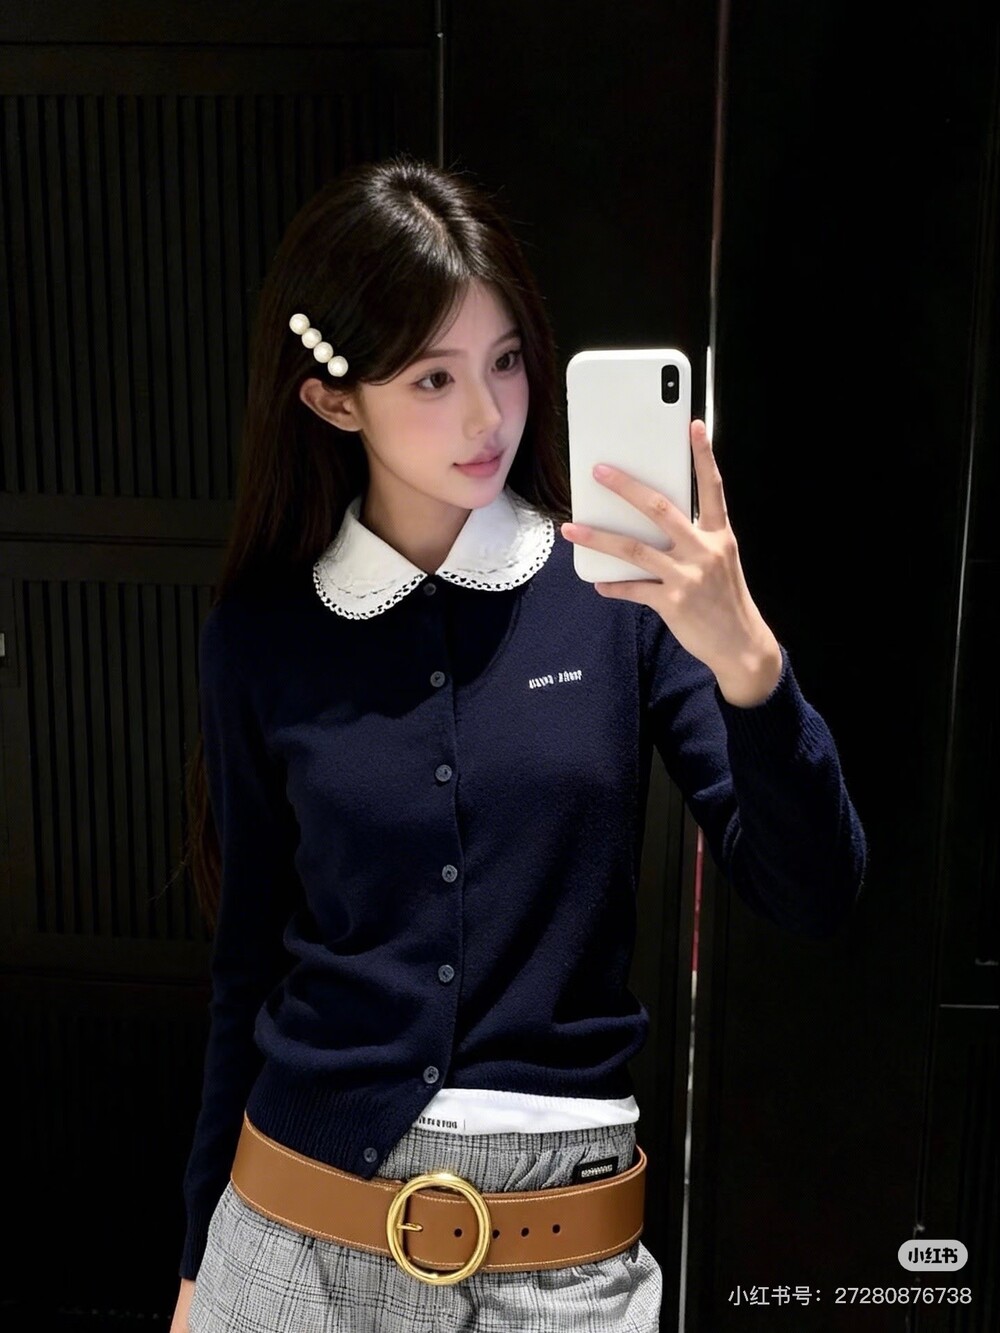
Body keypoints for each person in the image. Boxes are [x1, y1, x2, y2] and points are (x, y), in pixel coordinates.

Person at [170, 154, 866, 1333]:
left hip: (563, 1266)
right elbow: (246, 969)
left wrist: (749, 664)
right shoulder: (262, 638)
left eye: (504, 361)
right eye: (432, 377)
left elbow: (814, 891)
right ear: (334, 401)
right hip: (290, 1244)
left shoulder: (618, 597)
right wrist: (197, 1263)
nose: (487, 415)